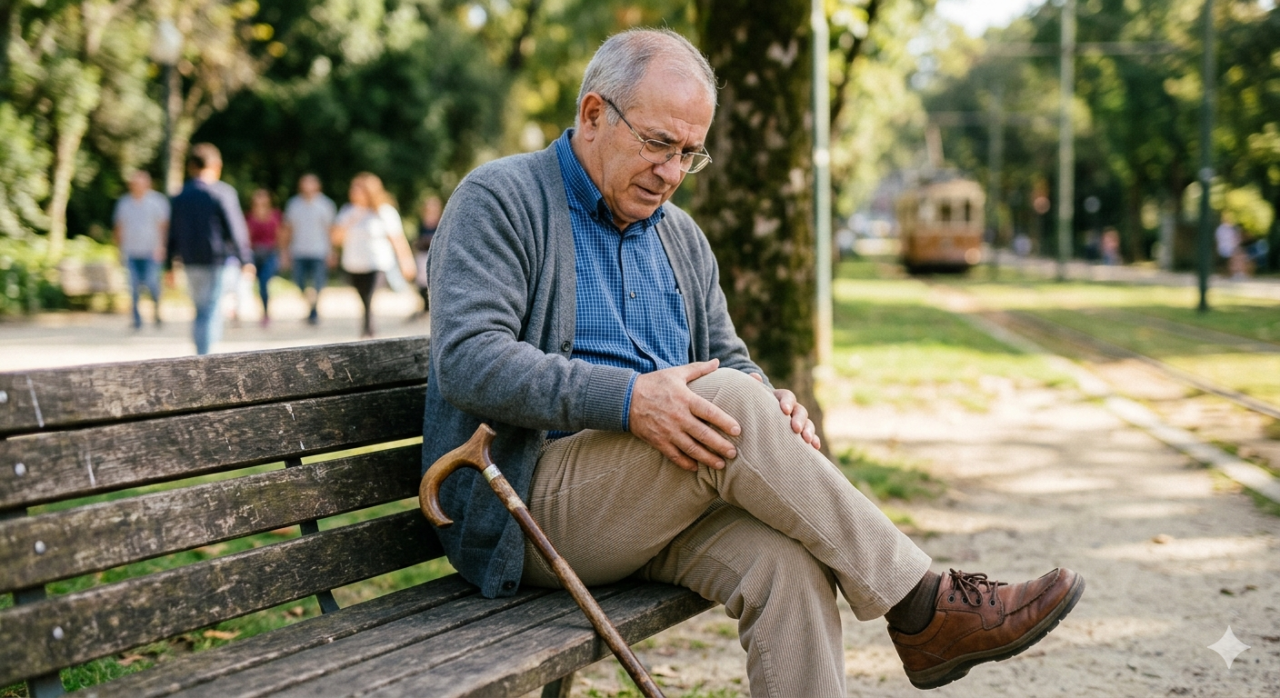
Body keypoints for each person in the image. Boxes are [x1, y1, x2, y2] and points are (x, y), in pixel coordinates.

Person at [422, 28, 1084, 697]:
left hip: (654, 500)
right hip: (527, 508)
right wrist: (629, 399)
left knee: (787, 565)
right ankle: (922, 605)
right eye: (658, 144)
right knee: (732, 403)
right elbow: (469, 361)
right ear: (594, 114)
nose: (673, 173)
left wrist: (774, 402)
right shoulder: (502, 198)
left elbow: (728, 359)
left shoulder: (679, 236)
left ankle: (924, 613)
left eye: (689, 154)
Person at [167, 143, 251, 355]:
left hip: (189, 260)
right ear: (216, 165)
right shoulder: (222, 192)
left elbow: (172, 232)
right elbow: (235, 228)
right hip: (216, 259)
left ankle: (201, 351)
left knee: (200, 309)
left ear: (191, 167)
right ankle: (206, 356)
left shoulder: (180, 195)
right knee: (211, 308)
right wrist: (245, 259)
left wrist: (169, 264)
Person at [330, 173, 415, 338]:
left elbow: (397, 239)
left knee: (369, 296)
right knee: (362, 296)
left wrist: (406, 261)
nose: (353, 192)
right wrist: (352, 219)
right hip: (354, 264)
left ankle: (368, 330)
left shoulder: (384, 212)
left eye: (358, 189)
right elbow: (336, 239)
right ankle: (367, 326)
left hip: (377, 263)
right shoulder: (347, 211)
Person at [112, 170, 169, 329]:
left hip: (152, 251)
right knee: (133, 287)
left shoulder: (157, 201)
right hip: (130, 251)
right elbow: (119, 227)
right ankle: (137, 320)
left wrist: (163, 247)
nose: (136, 186)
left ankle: (157, 311)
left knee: (152, 284)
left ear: (147, 184)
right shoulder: (124, 203)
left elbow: (163, 227)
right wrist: (118, 249)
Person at [280, 174, 336, 325]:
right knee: (299, 282)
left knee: (318, 284)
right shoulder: (294, 204)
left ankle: (314, 311)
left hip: (319, 251)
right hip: (298, 250)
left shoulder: (326, 204)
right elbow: (288, 229)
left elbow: (330, 230)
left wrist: (332, 252)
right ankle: (310, 306)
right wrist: (284, 252)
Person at [246, 188, 282, 326]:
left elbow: (280, 236)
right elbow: (247, 238)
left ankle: (266, 313)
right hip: (255, 253)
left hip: (270, 253)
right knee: (256, 284)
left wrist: (283, 253)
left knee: (264, 281)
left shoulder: (275, 215)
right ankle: (263, 311)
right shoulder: (249, 217)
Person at [411, 195, 442, 319]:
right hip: (423, 255)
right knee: (422, 283)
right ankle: (425, 306)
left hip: (436, 255)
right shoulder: (422, 223)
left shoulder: (441, 222)